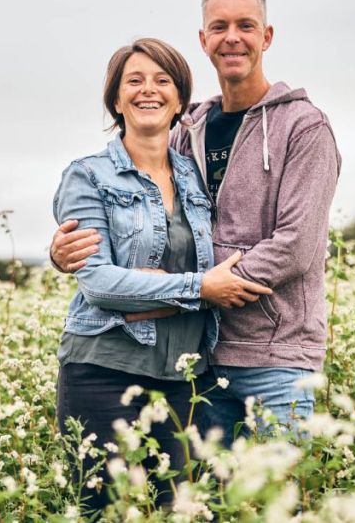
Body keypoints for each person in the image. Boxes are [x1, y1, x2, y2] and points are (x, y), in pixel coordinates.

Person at [52, 0, 341, 445]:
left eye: (246, 25)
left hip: (275, 359)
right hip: (200, 363)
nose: (232, 37)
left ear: (266, 37)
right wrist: (65, 251)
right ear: (203, 39)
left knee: (280, 507)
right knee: (203, 506)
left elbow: (298, 246)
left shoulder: (303, 128)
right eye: (219, 26)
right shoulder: (190, 131)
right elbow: (153, 227)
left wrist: (200, 288)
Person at [52, 37, 270, 512]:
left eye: (162, 81)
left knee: (188, 510)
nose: (147, 90)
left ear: (179, 100)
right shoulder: (88, 176)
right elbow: (100, 284)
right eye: (134, 81)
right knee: (104, 511)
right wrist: (200, 289)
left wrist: (150, 290)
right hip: (102, 370)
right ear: (115, 98)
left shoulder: (196, 176)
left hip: (185, 377)